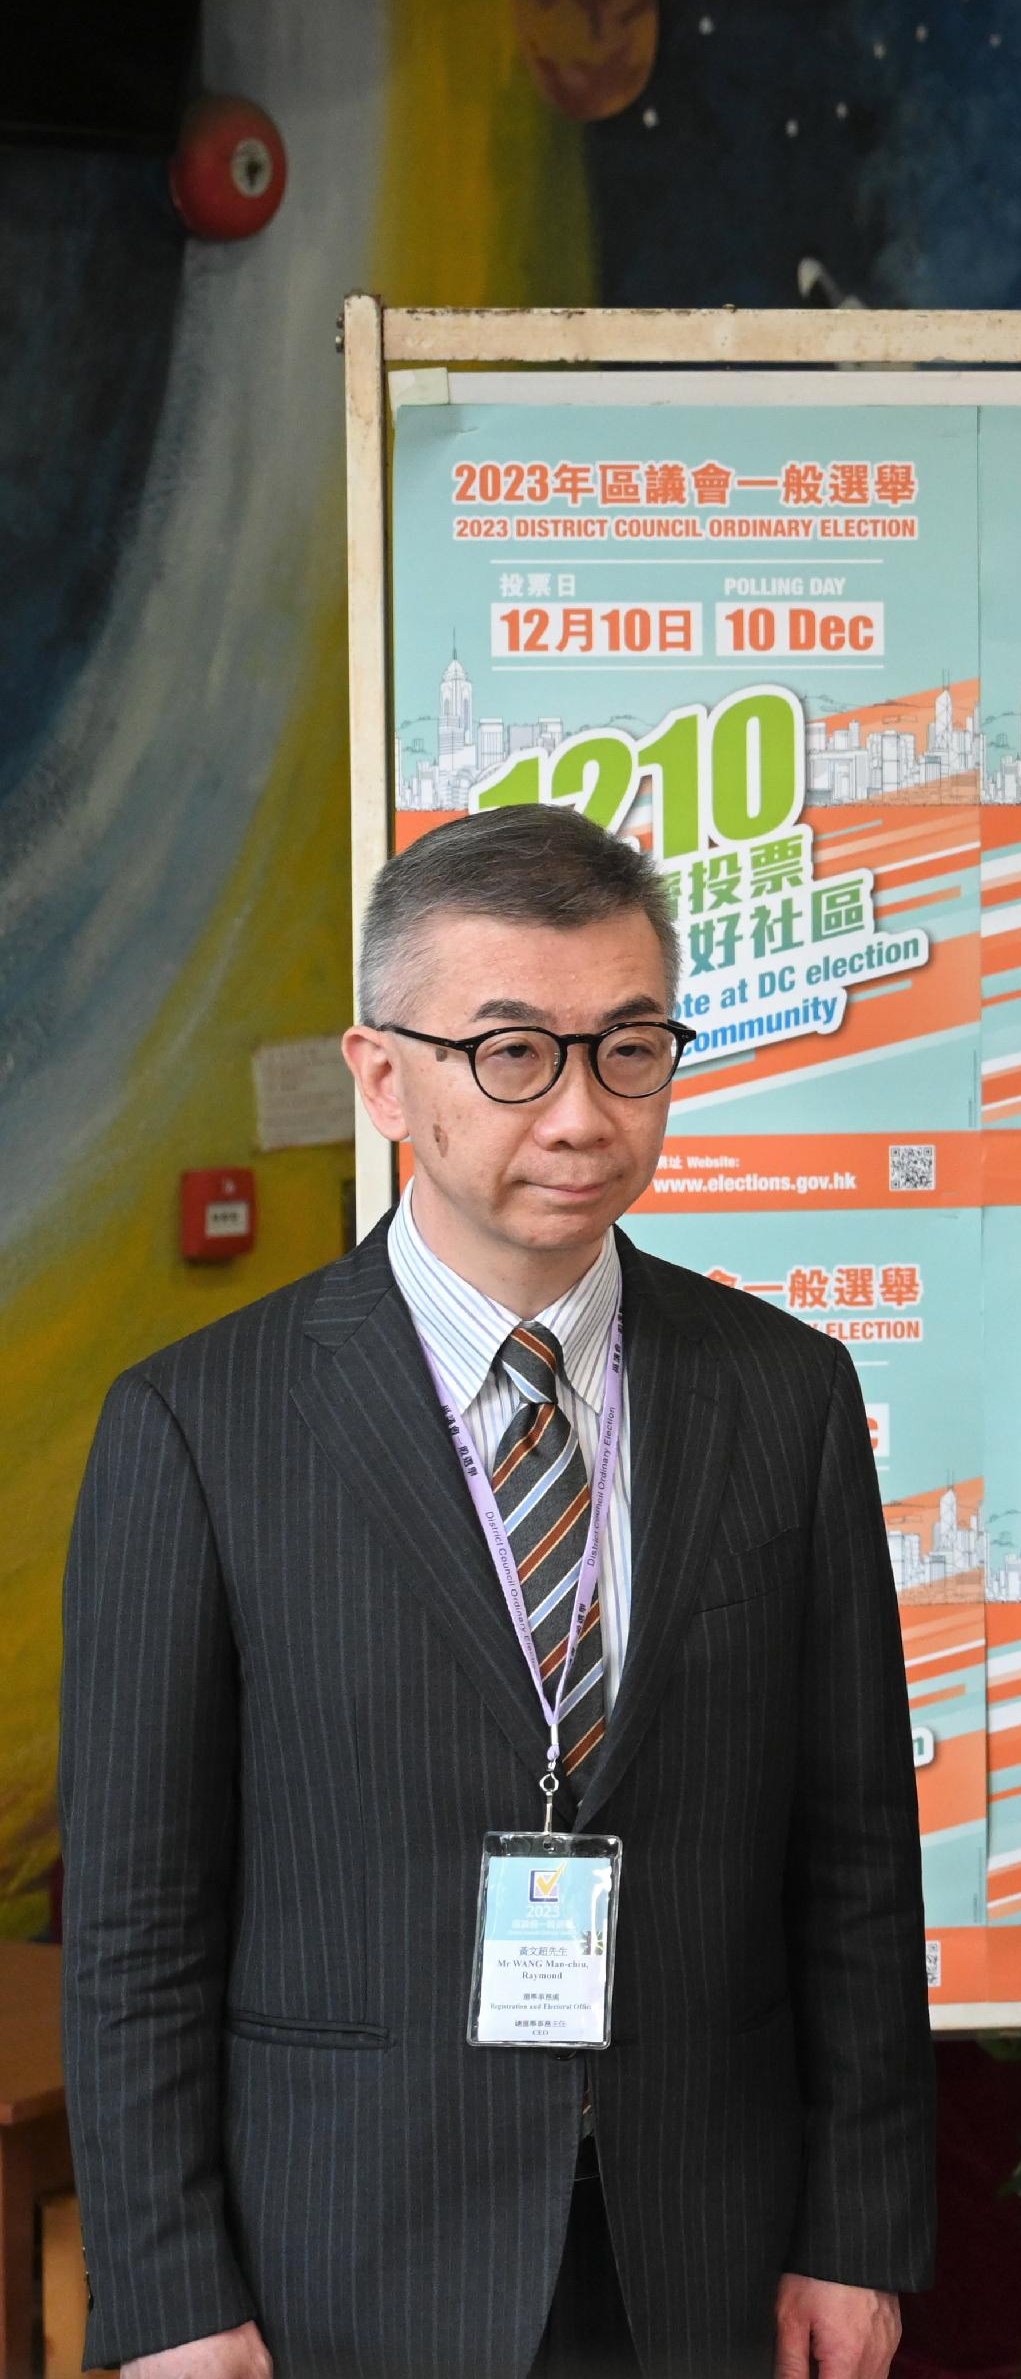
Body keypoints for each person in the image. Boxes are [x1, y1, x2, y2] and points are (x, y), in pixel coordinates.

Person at [62, 804, 931, 2379]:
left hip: (701, 2245)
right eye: (514, 1053)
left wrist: (855, 2230)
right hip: (342, 2249)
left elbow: (854, 1856)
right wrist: (170, 2293)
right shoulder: (200, 1426)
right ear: (384, 1074)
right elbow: (137, 1921)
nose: (584, 1114)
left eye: (629, 1048)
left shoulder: (782, 1396)